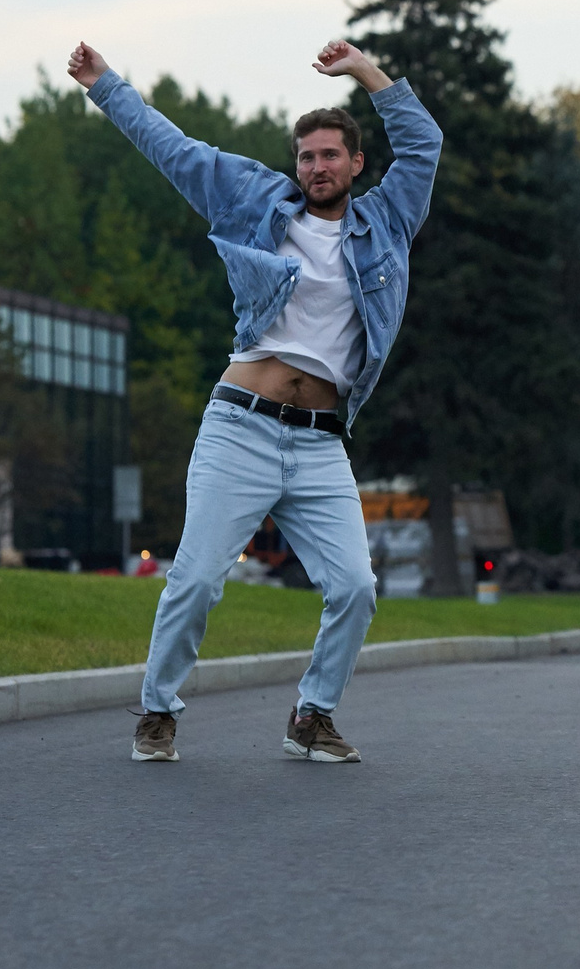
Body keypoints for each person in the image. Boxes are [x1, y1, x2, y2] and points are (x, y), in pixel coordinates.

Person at [66, 37, 442, 765]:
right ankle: (157, 709)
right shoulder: (256, 199)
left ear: (356, 164)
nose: (317, 168)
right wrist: (104, 85)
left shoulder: (387, 222)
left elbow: (422, 144)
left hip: (319, 441)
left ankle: (313, 715)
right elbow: (173, 150)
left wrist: (365, 71)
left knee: (357, 587)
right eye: (306, 157)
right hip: (240, 426)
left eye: (331, 155)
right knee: (198, 578)